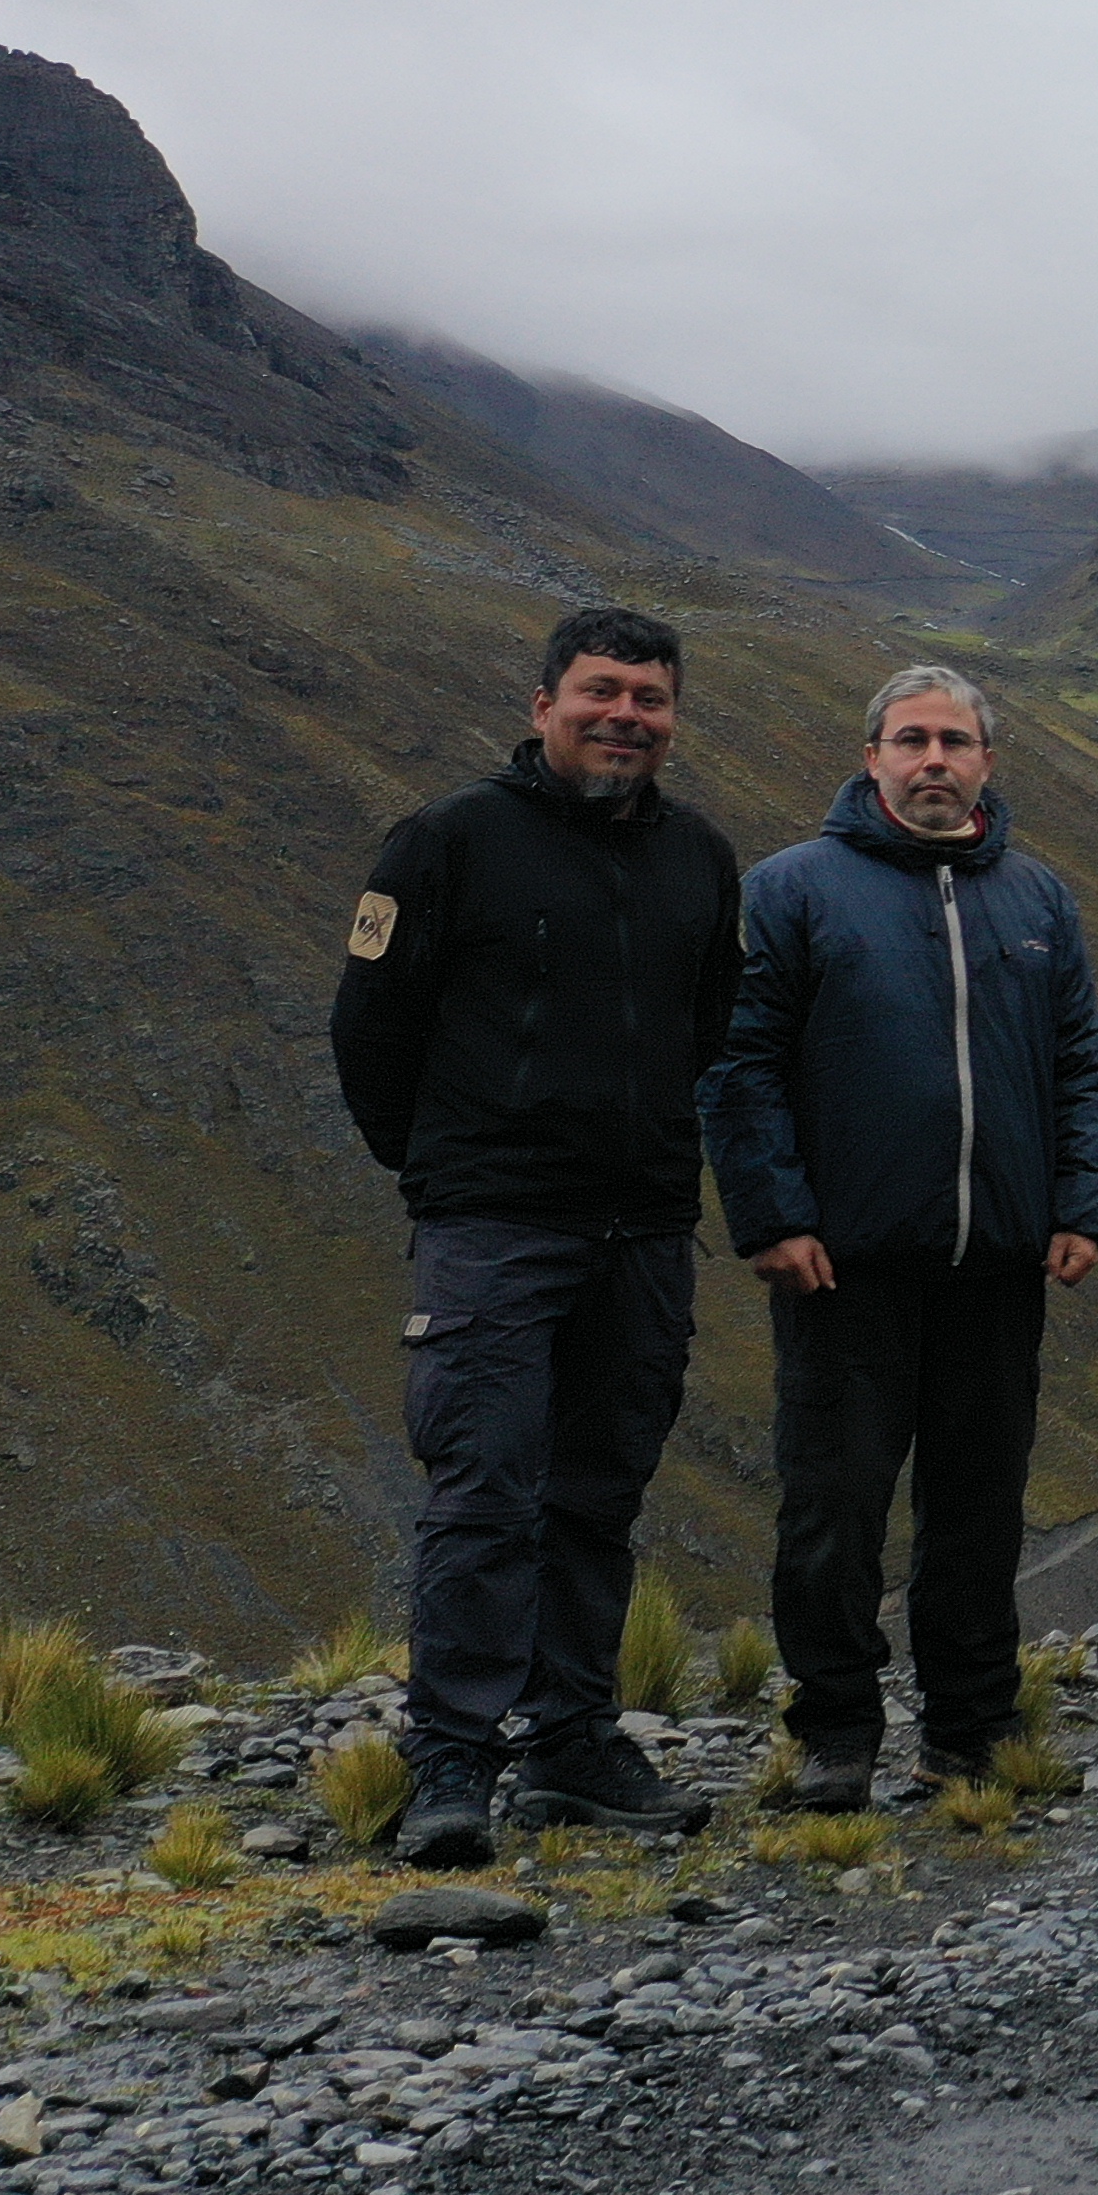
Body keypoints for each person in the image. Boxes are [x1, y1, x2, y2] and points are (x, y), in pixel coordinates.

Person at [328, 603, 743, 1863]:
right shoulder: (447, 843)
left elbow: (707, 1027)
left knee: (597, 1497)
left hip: (644, 1233)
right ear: (543, 703)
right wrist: (451, 1168)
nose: (627, 716)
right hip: (495, 1232)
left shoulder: (701, 858)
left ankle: (572, 1746)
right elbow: (370, 1030)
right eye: (603, 691)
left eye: (651, 698)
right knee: (484, 1491)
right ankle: (451, 1759)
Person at [702, 664, 1098, 1813]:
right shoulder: (793, 889)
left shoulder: (1039, 900)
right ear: (871, 755)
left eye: (955, 742)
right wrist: (772, 1214)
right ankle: (835, 1734)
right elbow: (740, 1069)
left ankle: (970, 1734)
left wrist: (1084, 1203)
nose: (934, 760)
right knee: (834, 1509)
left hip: (998, 1263)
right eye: (912, 741)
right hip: (846, 1266)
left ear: (988, 761)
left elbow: (1077, 1065)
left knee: (980, 1511)